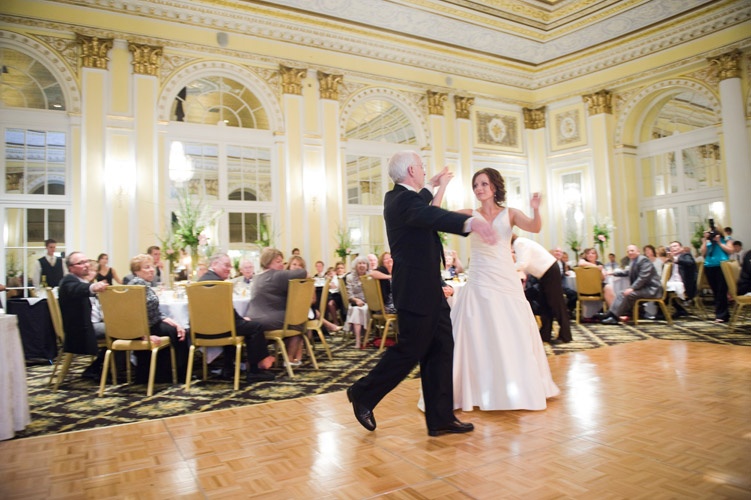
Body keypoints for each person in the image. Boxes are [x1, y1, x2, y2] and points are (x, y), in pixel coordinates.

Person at [347, 150, 497, 437]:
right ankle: (363, 393)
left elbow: (421, 203)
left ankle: (440, 418)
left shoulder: (400, 198)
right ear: (411, 171)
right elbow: (428, 213)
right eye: (422, 166)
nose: (425, 169)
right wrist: (470, 222)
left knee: (441, 348)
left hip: (428, 287)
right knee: (410, 350)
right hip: (416, 290)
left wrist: (434, 184)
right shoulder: (403, 201)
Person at [447, 168, 559, 411]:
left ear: (494, 187)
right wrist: (442, 187)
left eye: (484, 184)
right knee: (478, 329)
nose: (479, 189)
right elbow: (437, 216)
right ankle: (478, 388)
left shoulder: (510, 214)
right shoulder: (470, 213)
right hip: (479, 279)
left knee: (511, 328)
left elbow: (534, 227)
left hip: (505, 279)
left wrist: (536, 209)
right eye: (475, 185)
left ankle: (514, 387)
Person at [199, 253, 276, 382]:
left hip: (200, 330)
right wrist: (241, 320)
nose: (229, 269)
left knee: (237, 326)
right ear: (214, 264)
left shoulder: (200, 281)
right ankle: (254, 370)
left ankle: (228, 368)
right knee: (256, 327)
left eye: (230, 266)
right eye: (226, 265)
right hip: (221, 328)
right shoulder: (219, 284)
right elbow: (226, 311)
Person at [128, 254, 189, 383]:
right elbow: (132, 313)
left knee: (178, 330)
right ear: (136, 271)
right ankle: (180, 374)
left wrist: (175, 324)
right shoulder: (137, 285)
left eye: (152, 266)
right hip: (143, 328)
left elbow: (156, 312)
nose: (151, 270)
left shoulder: (144, 284)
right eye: (146, 267)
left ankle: (169, 373)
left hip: (151, 323)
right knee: (181, 335)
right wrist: (143, 335)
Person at [248, 248, 308, 367]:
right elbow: (303, 273)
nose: (282, 265)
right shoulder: (277, 275)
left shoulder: (257, 277)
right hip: (269, 319)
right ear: (269, 261)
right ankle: (289, 358)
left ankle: (263, 357)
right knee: (299, 321)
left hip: (252, 318)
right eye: (278, 262)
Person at [512, 234, 572, 344]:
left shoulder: (519, 243)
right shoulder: (521, 242)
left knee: (556, 304)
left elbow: (523, 264)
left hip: (549, 271)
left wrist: (508, 269)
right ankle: (545, 334)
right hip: (546, 272)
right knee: (545, 304)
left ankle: (565, 335)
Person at [58, 252, 108, 379]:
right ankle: (99, 368)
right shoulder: (68, 281)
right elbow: (77, 288)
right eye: (80, 263)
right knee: (121, 330)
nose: (86, 265)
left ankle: (108, 366)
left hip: (90, 324)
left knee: (122, 328)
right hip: (80, 329)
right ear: (71, 268)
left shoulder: (81, 280)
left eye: (86, 262)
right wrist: (93, 287)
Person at [600, 245, 663, 325]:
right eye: (628, 251)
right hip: (644, 288)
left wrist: (632, 288)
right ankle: (611, 314)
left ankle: (614, 317)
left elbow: (643, 277)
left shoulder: (643, 260)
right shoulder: (634, 261)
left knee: (626, 294)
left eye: (632, 251)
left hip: (652, 289)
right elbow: (627, 272)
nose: (630, 253)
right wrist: (613, 273)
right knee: (621, 293)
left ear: (638, 251)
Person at [700, 221, 733, 323]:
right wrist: (705, 240)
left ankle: (720, 315)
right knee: (715, 291)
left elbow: (730, 250)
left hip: (722, 266)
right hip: (709, 266)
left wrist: (719, 242)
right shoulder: (708, 240)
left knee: (721, 291)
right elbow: (703, 253)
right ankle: (724, 314)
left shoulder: (726, 239)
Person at [344, 255, 371, 349]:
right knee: (357, 310)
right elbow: (349, 294)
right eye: (359, 263)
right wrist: (356, 300)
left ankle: (363, 338)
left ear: (367, 266)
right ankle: (358, 340)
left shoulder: (370, 277)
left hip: (369, 303)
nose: (362, 265)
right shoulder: (350, 277)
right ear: (355, 266)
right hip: (355, 302)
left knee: (363, 309)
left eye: (364, 263)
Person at [667, 240, 697, 318]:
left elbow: (690, 263)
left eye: (675, 246)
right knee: (660, 289)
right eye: (671, 247)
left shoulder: (685, 255)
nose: (673, 248)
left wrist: (676, 260)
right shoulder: (671, 259)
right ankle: (679, 309)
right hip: (673, 281)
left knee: (662, 290)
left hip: (685, 283)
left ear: (681, 248)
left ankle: (678, 310)